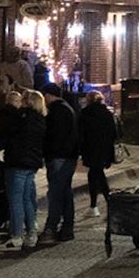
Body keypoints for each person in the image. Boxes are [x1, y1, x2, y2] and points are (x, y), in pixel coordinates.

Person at [0, 90, 47, 251]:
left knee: (15, 200)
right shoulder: (41, 119)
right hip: (32, 163)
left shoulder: (20, 117)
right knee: (27, 199)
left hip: (17, 161)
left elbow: (5, 133)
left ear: (27, 101)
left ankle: (17, 235)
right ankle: (31, 234)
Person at [40, 87, 80, 243]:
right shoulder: (68, 109)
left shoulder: (57, 112)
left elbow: (54, 136)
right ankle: (67, 227)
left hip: (59, 156)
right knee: (65, 192)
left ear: (49, 96)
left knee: (56, 193)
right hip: (67, 155)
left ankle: (52, 227)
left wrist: (48, 152)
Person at [79, 87, 118, 219]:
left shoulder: (84, 113)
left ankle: (99, 206)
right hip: (105, 149)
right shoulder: (107, 114)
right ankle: (99, 205)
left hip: (90, 149)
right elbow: (115, 133)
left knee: (96, 175)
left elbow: (81, 133)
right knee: (97, 174)